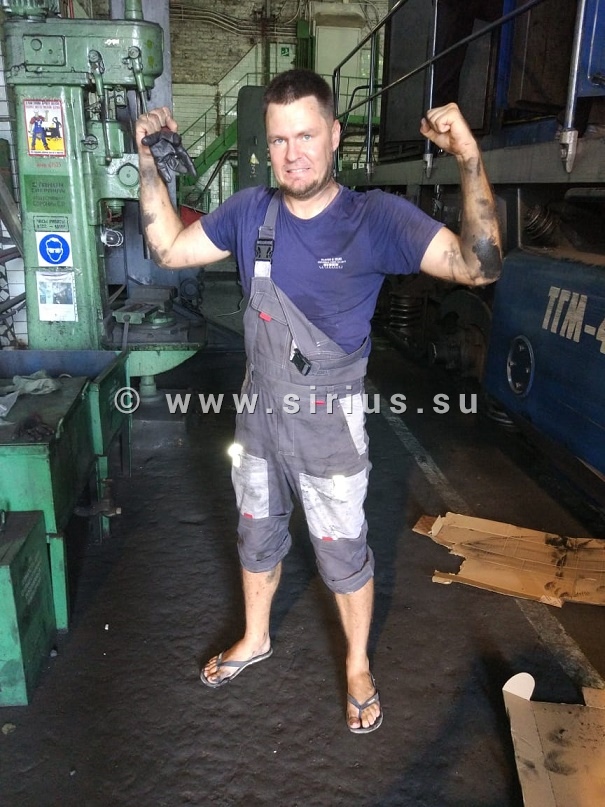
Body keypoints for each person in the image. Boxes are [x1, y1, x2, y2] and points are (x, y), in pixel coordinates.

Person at [135, 69, 502, 735]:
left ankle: (357, 665)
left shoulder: (374, 219)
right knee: (256, 532)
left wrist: (469, 158)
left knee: (341, 549)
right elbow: (166, 248)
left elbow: (479, 266)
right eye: (279, 140)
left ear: (334, 135)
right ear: (265, 145)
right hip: (258, 417)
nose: (293, 153)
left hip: (329, 426)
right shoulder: (249, 212)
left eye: (306, 135)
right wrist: (146, 160)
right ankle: (255, 637)